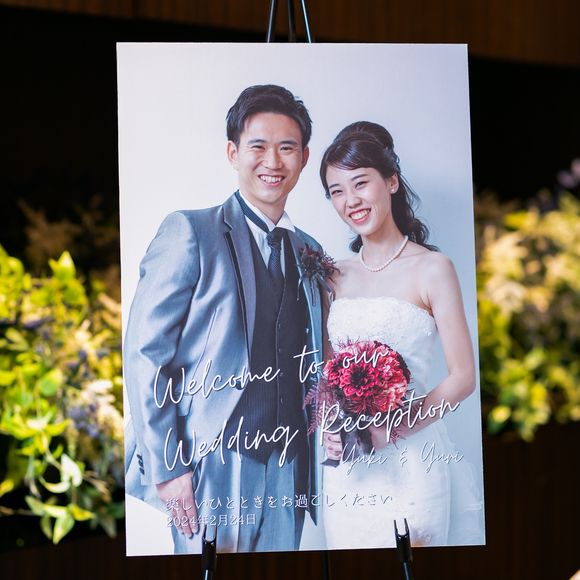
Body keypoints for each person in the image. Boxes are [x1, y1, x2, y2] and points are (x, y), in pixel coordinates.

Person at [124, 85, 324, 554]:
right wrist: (168, 467)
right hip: (211, 460)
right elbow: (145, 354)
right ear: (233, 152)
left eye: (287, 148)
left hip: (289, 462)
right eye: (258, 146)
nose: (272, 161)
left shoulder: (309, 250)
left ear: (304, 158)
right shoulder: (191, 231)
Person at [318, 121, 483, 548]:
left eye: (360, 183)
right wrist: (331, 426)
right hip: (349, 472)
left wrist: (392, 429)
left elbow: (463, 377)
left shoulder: (433, 268)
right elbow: (327, 372)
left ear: (391, 182)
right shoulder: (333, 276)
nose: (350, 200)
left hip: (413, 462)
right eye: (337, 191)